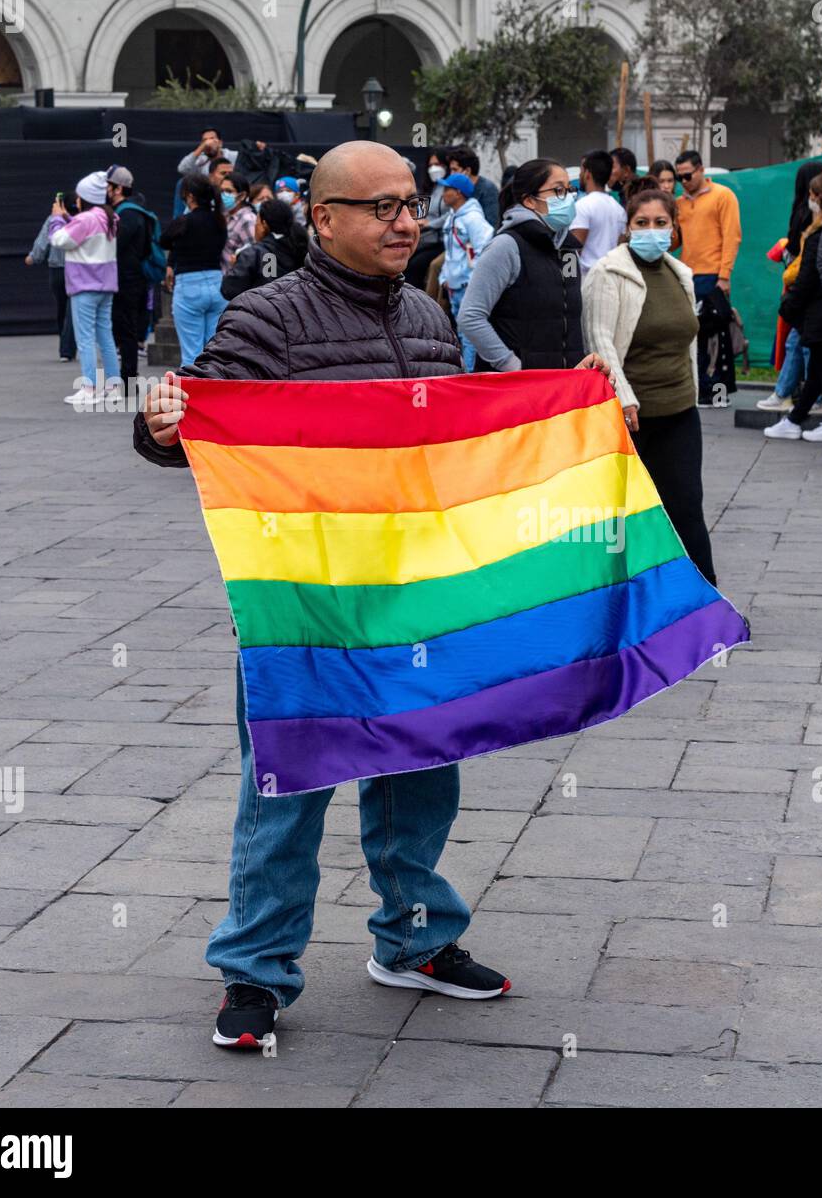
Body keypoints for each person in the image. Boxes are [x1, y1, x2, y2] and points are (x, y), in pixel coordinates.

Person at [135, 141, 611, 1048]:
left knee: (427, 768)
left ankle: (417, 941)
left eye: (412, 206)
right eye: (384, 207)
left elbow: (466, 440)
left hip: (417, 594)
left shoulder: (431, 317)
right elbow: (194, 419)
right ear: (324, 218)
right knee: (288, 784)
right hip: (307, 605)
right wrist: (162, 426)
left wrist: (565, 411)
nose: (407, 222)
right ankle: (255, 970)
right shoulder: (266, 319)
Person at [581, 183, 716, 586]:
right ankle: (626, 599)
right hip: (632, 417)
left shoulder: (682, 274)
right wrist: (623, 399)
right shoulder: (608, 273)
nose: (651, 230)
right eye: (642, 222)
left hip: (680, 411)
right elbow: (600, 341)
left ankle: (705, 596)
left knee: (687, 506)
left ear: (673, 229)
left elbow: (686, 338)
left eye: (660, 222)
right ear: (627, 228)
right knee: (630, 514)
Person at [458, 158, 602, 371]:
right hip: (516, 389)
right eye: (558, 190)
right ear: (529, 201)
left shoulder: (568, 249)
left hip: (563, 385)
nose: (569, 198)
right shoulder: (506, 246)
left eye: (570, 190)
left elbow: (571, 318)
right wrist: (514, 367)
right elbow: (470, 317)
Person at [764, 172, 822, 445]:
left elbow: (809, 276)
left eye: (812, 195)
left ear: (819, 199)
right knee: (821, 369)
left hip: (819, 309)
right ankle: (800, 419)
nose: (808, 200)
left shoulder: (820, 235)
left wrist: (789, 306)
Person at [758, 159, 822, 413]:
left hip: (804, 287)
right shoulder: (811, 213)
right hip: (809, 287)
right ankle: (802, 394)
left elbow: (798, 252)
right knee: (800, 343)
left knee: (799, 343)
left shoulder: (803, 212)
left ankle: (793, 393)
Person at [673, 149, 741, 405]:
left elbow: (732, 237)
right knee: (694, 336)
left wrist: (724, 277)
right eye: (680, 177)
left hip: (713, 276)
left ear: (701, 170)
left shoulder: (723, 196)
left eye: (688, 175)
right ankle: (701, 388)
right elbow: (676, 241)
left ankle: (718, 391)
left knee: (717, 337)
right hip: (687, 276)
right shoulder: (679, 203)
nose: (685, 181)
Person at [51, 171, 120, 407]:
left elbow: (59, 240)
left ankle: (89, 387)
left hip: (84, 286)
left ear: (86, 197)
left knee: (86, 338)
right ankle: (113, 386)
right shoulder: (109, 217)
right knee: (106, 336)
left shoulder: (85, 220)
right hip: (106, 285)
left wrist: (58, 219)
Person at [160, 173, 229, 367]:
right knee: (214, 350)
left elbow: (163, 239)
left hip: (189, 285)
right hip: (217, 283)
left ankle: (191, 396)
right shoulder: (219, 220)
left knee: (191, 354)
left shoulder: (184, 221)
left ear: (189, 196)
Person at [108, 165, 157, 390]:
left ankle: (128, 379)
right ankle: (127, 378)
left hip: (125, 280)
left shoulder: (126, 215)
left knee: (125, 329)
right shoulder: (139, 212)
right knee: (128, 329)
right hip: (136, 278)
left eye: (107, 186)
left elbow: (114, 246)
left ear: (118, 188)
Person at [439, 171, 494, 371]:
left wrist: (473, 280)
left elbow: (484, 249)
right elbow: (451, 252)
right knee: (461, 334)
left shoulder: (473, 219)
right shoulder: (453, 217)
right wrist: (445, 276)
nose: (443, 193)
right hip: (455, 287)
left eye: (447, 189)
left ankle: (468, 375)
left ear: (459, 193)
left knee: (468, 334)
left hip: (466, 287)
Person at [220, 198, 308, 301]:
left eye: (256, 222)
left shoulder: (259, 253)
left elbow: (229, 289)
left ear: (264, 224)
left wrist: (236, 265)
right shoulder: (299, 245)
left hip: (261, 312)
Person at [26, 195, 77, 362]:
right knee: (72, 310)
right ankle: (68, 348)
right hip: (77, 269)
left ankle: (66, 347)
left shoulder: (53, 220)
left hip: (57, 270)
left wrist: (34, 257)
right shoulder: (81, 220)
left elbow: (43, 241)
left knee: (62, 309)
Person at [569, 149, 627, 271]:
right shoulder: (619, 209)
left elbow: (572, 250)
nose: (580, 175)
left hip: (586, 280)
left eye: (581, 171)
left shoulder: (582, 206)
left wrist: (567, 282)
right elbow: (621, 247)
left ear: (587, 174)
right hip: (611, 277)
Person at [405, 148, 449, 289]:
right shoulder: (429, 188)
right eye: (430, 165)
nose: (433, 169)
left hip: (439, 241)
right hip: (423, 239)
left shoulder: (449, 189)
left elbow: (450, 214)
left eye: (437, 164)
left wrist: (430, 224)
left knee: (416, 265)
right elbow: (421, 212)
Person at [447, 145, 499, 227]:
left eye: (455, 170)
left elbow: (492, 224)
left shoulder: (488, 190)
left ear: (467, 171)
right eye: (451, 170)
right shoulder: (458, 189)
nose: (451, 174)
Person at [220, 172, 258, 272]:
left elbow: (254, 253)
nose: (223, 195)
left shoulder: (247, 219)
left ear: (242, 196)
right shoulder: (227, 216)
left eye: (228, 191)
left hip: (239, 279)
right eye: (222, 191)